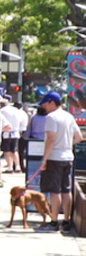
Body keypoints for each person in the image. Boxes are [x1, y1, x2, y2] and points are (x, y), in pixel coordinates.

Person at [36, 91, 81, 230]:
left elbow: (51, 139)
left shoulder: (51, 117)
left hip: (54, 157)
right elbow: (79, 137)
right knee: (66, 190)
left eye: (45, 103)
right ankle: (66, 221)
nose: (43, 106)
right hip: (68, 156)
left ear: (51, 102)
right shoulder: (69, 116)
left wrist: (44, 159)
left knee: (54, 191)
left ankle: (54, 222)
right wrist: (66, 145)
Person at [0, 97, 27, 174]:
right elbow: (21, 122)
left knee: (7, 151)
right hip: (16, 133)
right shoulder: (16, 110)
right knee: (15, 150)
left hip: (6, 132)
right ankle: (18, 166)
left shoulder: (2, 111)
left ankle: (10, 167)